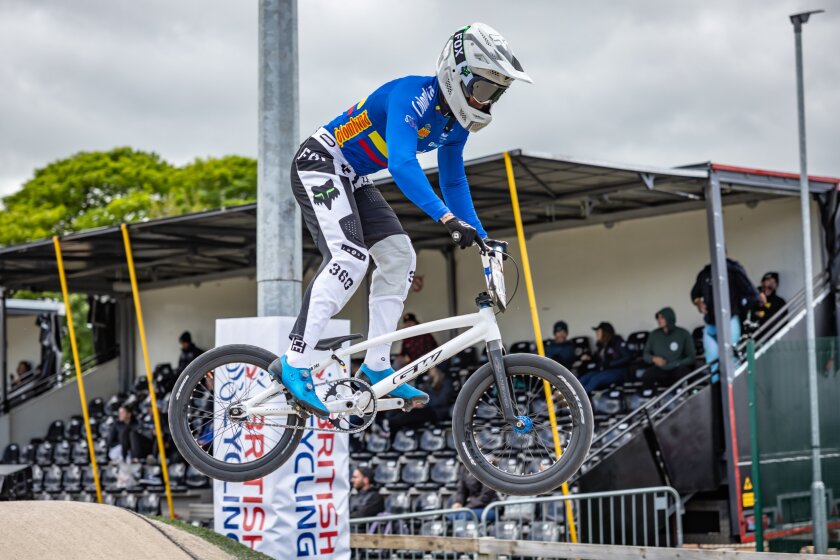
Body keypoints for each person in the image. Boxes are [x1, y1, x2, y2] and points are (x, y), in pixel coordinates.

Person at [268, 23, 531, 417]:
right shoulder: (413, 95)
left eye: (496, 94)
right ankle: (295, 359)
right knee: (349, 259)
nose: (487, 102)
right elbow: (402, 164)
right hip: (321, 162)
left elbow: (453, 178)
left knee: (399, 256)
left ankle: (376, 367)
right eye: (484, 90)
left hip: (353, 176)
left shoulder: (455, 123)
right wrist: (445, 217)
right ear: (458, 77)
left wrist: (481, 236)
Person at [691, 258, 762, 370]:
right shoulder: (705, 273)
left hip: (730, 320)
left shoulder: (733, 270)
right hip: (710, 324)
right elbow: (694, 294)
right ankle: (717, 387)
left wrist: (757, 300)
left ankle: (735, 387)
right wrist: (698, 302)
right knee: (713, 361)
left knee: (731, 359)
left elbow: (750, 292)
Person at [387, 367, 454, 434]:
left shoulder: (446, 382)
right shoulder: (429, 381)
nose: (429, 371)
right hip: (424, 408)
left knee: (407, 416)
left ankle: (391, 426)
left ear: (437, 369)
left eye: (432, 368)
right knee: (398, 410)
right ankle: (389, 422)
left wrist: (424, 403)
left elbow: (442, 401)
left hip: (436, 411)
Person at [640, 307, 696, 387]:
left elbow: (691, 357)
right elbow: (645, 354)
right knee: (647, 375)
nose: (659, 320)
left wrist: (677, 363)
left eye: (662, 317)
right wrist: (653, 359)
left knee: (684, 373)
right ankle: (651, 398)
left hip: (678, 368)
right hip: (660, 368)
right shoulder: (654, 335)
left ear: (669, 318)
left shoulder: (683, 333)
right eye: (658, 318)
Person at [578, 322, 632, 394]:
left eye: (599, 331)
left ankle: (579, 399)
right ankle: (572, 397)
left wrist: (610, 363)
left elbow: (627, 357)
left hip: (619, 371)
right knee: (584, 378)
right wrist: (589, 357)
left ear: (605, 332)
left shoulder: (617, 342)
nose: (596, 333)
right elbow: (597, 359)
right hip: (604, 371)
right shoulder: (601, 345)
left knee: (595, 379)